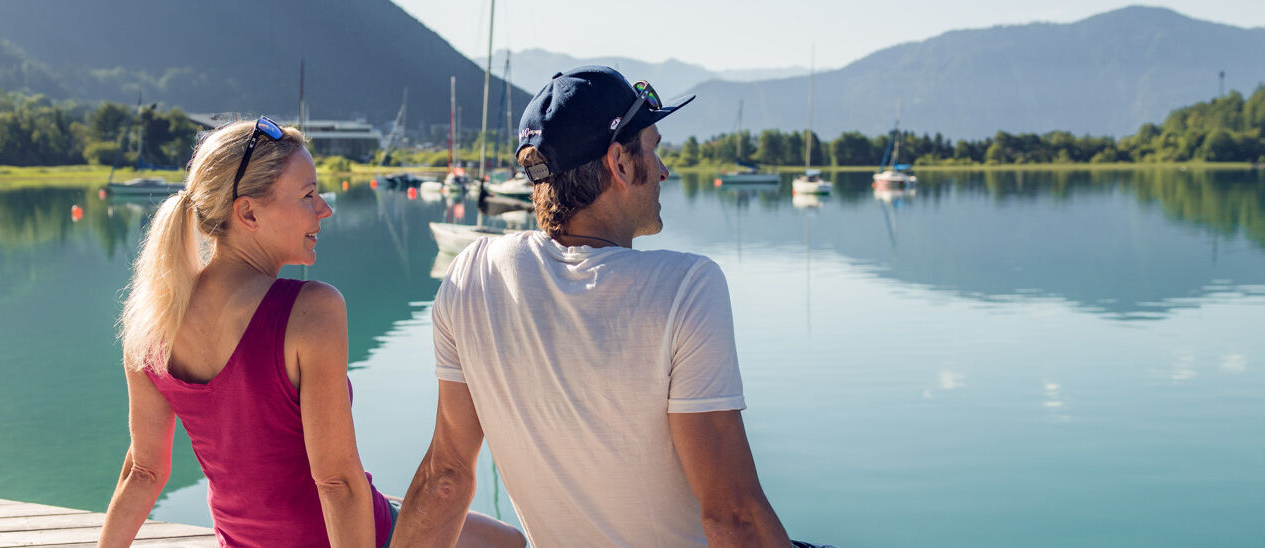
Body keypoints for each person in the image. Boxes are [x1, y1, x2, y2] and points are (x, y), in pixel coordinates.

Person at [394, 66, 805, 547]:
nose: (664, 170)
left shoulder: (471, 274)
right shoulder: (686, 288)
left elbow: (445, 479)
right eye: (653, 149)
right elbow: (733, 517)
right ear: (621, 164)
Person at [100, 118, 522, 547]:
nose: (324, 208)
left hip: (243, 540)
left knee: (420, 508)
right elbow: (336, 483)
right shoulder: (310, 311)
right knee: (511, 543)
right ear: (248, 212)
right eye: (307, 195)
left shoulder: (152, 322)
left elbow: (143, 473)